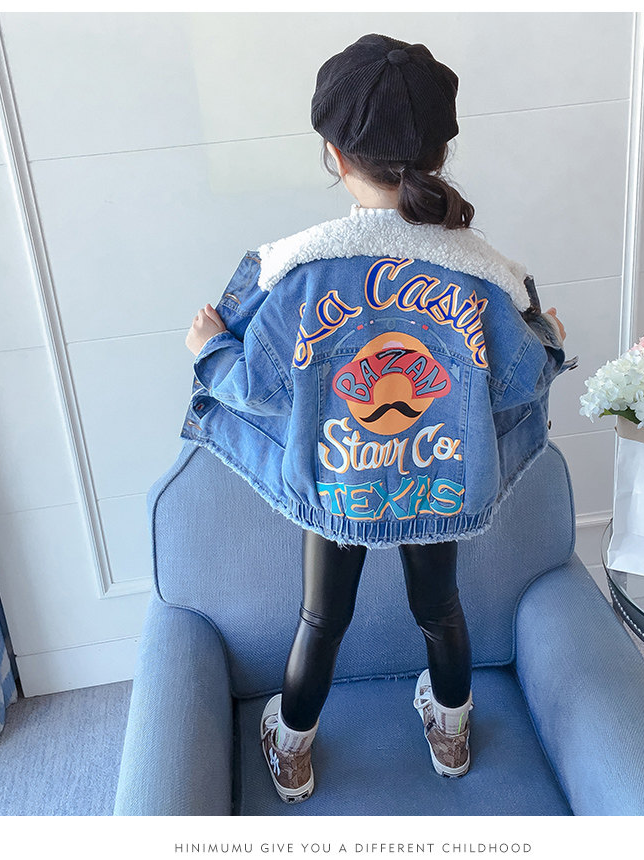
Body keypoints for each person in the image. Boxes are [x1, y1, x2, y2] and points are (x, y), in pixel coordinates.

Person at [183, 34, 570, 805]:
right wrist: (549, 339)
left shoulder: (296, 274)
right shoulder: (483, 273)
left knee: (322, 619)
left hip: (341, 482)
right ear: (440, 152)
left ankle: (292, 746)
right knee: (441, 610)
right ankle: (451, 734)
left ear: (334, 154)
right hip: (439, 479)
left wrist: (210, 350)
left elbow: (259, 386)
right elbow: (517, 380)